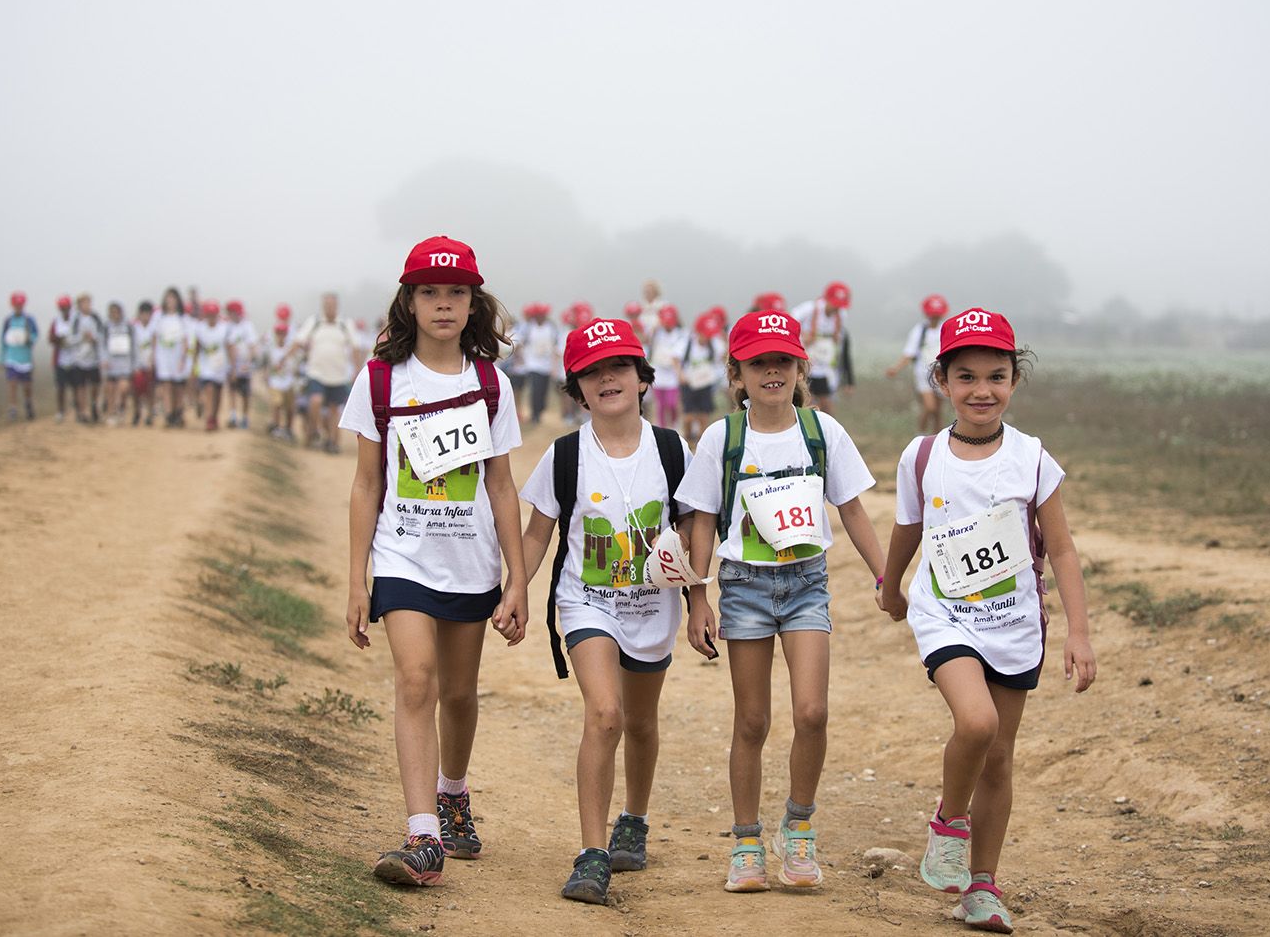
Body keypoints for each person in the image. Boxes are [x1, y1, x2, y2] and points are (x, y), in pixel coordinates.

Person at [877, 308, 1096, 934]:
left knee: (998, 759)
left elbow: (1062, 550)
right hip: (945, 615)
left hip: (1015, 623)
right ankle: (949, 823)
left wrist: (1079, 633)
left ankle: (981, 887)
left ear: (1014, 381)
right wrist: (890, 585)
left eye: (996, 376)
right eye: (966, 376)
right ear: (942, 381)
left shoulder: (1032, 458)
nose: (982, 390)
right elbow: (908, 527)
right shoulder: (922, 456)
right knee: (977, 723)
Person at [676, 311, 887, 893]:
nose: (772, 372)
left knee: (812, 712)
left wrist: (885, 577)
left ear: (800, 368)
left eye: (783, 361)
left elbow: (851, 508)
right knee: (752, 721)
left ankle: (799, 827)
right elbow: (702, 519)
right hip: (743, 587)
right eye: (758, 363)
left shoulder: (823, 431)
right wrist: (698, 597)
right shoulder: (722, 438)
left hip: (806, 585)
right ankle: (746, 843)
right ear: (737, 374)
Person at [340, 236, 526, 889]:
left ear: (473, 303)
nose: (443, 304)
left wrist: (517, 579)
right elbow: (367, 483)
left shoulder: (491, 384)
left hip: (470, 562)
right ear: (409, 301)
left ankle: (452, 791)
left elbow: (501, 486)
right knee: (416, 680)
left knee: (459, 693)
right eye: (429, 292)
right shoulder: (380, 380)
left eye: (456, 293)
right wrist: (358, 579)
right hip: (402, 559)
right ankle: (423, 834)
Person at [517, 318, 691, 906]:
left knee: (640, 722)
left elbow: (695, 530)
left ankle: (633, 821)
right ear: (577, 391)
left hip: (654, 606)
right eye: (592, 373)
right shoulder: (565, 456)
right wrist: (515, 589)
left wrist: (700, 601)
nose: (607, 379)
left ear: (642, 378)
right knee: (606, 714)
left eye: (619, 367)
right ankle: (592, 854)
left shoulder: (672, 450)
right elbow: (538, 533)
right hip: (586, 602)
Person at [289, 292, 358, 453]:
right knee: (315, 401)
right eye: (327, 305)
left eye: (332, 305)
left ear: (337, 306)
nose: (329, 308)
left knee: (334, 409)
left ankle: (333, 442)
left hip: (338, 375)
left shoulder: (345, 324)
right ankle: (313, 429)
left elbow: (355, 347)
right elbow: (299, 341)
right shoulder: (315, 322)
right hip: (316, 372)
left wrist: (357, 370)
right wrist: (286, 358)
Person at [887, 294, 950, 435]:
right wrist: (896, 368)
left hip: (941, 373)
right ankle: (920, 434)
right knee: (929, 407)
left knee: (938, 411)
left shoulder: (946, 329)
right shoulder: (920, 331)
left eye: (937, 315)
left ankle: (937, 439)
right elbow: (909, 353)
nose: (934, 318)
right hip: (923, 374)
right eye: (932, 315)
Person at [792, 282, 853, 413]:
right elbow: (789, 324)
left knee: (826, 404)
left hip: (825, 365)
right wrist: (802, 335)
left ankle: (825, 425)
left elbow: (842, 345)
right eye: (835, 304)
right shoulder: (808, 309)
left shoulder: (841, 315)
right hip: (805, 362)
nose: (837, 308)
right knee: (805, 400)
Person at [678, 310, 724, 449]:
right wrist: (680, 374)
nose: (707, 338)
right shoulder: (686, 343)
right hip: (689, 384)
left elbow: (723, 355)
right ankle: (687, 440)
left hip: (705, 383)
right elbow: (674, 357)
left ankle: (701, 442)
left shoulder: (714, 344)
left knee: (704, 415)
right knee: (688, 416)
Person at [152, 287, 192, 427]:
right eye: (168, 298)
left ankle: (178, 412)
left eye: (173, 298)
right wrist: (153, 355)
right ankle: (168, 414)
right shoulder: (159, 317)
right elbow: (154, 337)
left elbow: (186, 339)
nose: (170, 301)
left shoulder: (183, 318)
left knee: (178, 386)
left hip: (178, 356)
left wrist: (183, 358)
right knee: (166, 385)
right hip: (164, 356)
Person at [513, 303, 559, 425]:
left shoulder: (551, 327)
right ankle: (535, 415)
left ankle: (540, 411)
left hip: (547, 365)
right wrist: (519, 357)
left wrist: (555, 364)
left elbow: (555, 344)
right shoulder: (529, 327)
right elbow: (520, 342)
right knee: (535, 390)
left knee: (543, 390)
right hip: (532, 364)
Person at [192, 299, 232, 432]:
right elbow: (197, 347)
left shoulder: (224, 328)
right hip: (206, 366)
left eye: (213, 315)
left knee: (218, 393)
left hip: (220, 366)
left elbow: (229, 347)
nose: (211, 318)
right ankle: (209, 417)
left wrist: (232, 367)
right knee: (209, 389)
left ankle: (214, 417)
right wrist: (194, 365)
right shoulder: (200, 328)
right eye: (209, 315)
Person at [0, 291, 38, 421]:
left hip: (25, 358)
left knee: (27, 386)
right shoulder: (8, 321)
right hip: (11, 357)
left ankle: (28, 403)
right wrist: (1, 359)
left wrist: (29, 339)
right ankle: (12, 408)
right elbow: (3, 341)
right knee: (12, 383)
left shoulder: (29, 320)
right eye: (16, 305)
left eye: (20, 305)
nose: (18, 307)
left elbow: (35, 335)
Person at [647, 304, 687, 430]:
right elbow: (648, 341)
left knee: (672, 403)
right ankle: (661, 427)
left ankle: (674, 424)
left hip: (672, 374)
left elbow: (677, 356)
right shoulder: (657, 333)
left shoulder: (681, 334)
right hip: (658, 372)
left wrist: (679, 373)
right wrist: (656, 326)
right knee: (661, 404)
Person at [263, 320, 301, 442]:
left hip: (288, 383)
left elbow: (295, 365)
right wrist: (266, 376)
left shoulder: (290, 350)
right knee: (277, 404)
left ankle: (288, 429)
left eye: (283, 333)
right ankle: (276, 426)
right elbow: (267, 365)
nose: (280, 335)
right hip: (275, 382)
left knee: (290, 408)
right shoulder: (271, 349)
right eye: (278, 333)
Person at [69, 293, 104, 424]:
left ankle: (94, 405)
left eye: (88, 302)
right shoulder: (75, 319)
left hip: (93, 358)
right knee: (80, 386)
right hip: (79, 359)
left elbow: (102, 335)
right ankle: (82, 411)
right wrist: (81, 338)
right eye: (84, 303)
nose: (86, 305)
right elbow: (70, 339)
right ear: (79, 305)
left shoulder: (96, 318)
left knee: (95, 385)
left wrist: (93, 338)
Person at [224, 299, 258, 429]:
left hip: (244, 367)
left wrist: (248, 363)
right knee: (232, 390)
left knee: (245, 394)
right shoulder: (228, 326)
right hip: (231, 365)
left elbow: (252, 346)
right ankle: (233, 416)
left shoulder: (247, 326)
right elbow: (227, 346)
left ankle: (245, 418)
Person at [101, 301, 135, 426]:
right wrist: (104, 359)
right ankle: (111, 413)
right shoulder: (106, 327)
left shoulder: (128, 327)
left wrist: (134, 364)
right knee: (110, 389)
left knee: (123, 388)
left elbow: (134, 346)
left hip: (125, 363)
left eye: (117, 312)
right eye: (112, 312)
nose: (115, 315)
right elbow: (102, 345)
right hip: (111, 363)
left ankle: (121, 409)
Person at [48, 295, 76, 422]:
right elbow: (50, 338)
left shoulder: (76, 320)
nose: (64, 310)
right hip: (60, 359)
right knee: (60, 387)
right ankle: (60, 411)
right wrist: (59, 340)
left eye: (66, 307)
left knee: (76, 386)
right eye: (62, 308)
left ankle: (78, 409)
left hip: (75, 359)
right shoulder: (56, 321)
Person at [129, 301, 156, 426]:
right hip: (137, 365)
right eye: (143, 314)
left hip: (149, 364)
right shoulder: (134, 328)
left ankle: (150, 414)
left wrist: (153, 361)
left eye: (148, 314)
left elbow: (155, 346)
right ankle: (137, 412)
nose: (145, 317)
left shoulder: (154, 328)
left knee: (150, 390)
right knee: (136, 390)